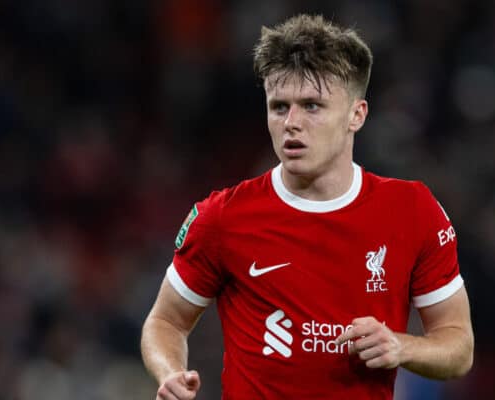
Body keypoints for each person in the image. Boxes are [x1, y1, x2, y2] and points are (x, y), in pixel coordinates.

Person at [141, 14, 474, 400]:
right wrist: (169, 372)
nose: (292, 123)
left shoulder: (412, 209)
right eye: (279, 107)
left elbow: (458, 346)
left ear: (356, 115)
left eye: (312, 106)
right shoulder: (222, 216)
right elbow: (165, 321)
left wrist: (403, 347)